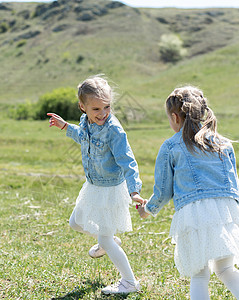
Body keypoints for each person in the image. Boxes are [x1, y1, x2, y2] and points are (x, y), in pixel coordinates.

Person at [135, 86, 239, 300]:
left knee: (199, 274)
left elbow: (163, 191)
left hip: (194, 214)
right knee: (226, 268)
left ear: (174, 117)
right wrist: (229, 208)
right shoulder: (223, 143)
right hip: (224, 211)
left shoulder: (171, 147)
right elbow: (235, 184)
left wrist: (148, 209)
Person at [47, 75, 144, 295]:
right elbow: (83, 137)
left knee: (105, 238)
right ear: (83, 107)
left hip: (110, 189)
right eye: (96, 109)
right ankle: (107, 241)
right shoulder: (86, 123)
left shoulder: (114, 131)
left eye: (107, 107)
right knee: (75, 223)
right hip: (93, 186)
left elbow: (128, 161)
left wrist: (135, 191)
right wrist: (65, 127)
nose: (102, 113)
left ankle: (129, 281)